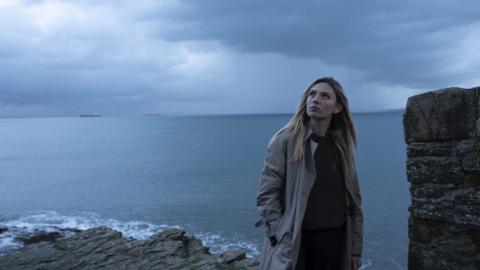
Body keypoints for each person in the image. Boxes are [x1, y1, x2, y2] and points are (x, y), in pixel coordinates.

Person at [255, 77, 363, 270]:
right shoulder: (285, 141)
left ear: (337, 108)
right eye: (312, 94)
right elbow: (266, 195)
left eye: (325, 96)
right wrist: (279, 233)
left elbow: (354, 200)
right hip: (296, 243)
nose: (315, 99)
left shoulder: (342, 147)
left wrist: (355, 250)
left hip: (335, 243)